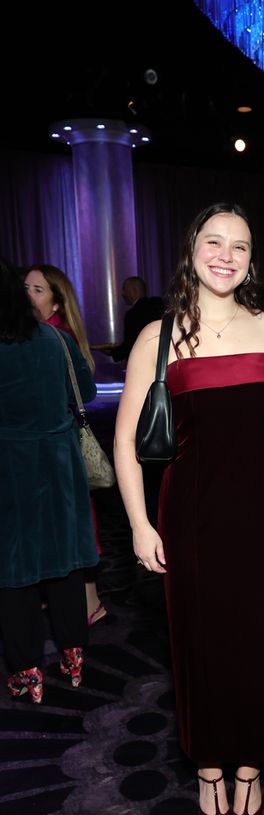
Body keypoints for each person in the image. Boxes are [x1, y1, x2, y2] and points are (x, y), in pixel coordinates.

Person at [114, 202, 264, 815]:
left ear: (252, 259)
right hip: (189, 518)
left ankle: (250, 769)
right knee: (200, 647)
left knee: (261, 643)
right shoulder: (157, 336)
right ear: (193, 250)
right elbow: (127, 443)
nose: (226, 254)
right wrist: (139, 524)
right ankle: (210, 771)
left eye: (240, 246)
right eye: (213, 242)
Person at [0, 258, 98, 702]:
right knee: (65, 568)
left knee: (15, 572)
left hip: (10, 472)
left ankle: (26, 671)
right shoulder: (56, 339)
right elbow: (87, 392)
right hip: (59, 466)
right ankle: (74, 657)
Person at [24, 264, 107, 626]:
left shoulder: (56, 337)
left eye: (38, 289)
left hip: (61, 448)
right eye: (25, 287)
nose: (28, 294)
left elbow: (75, 395)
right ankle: (65, 597)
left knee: (75, 525)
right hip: (47, 448)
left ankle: (90, 602)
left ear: (57, 303)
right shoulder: (36, 335)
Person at [100, 276, 165, 363]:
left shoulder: (132, 314)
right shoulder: (160, 304)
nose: (123, 294)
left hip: (144, 363)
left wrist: (112, 352)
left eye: (124, 289)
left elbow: (131, 344)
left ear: (134, 290)